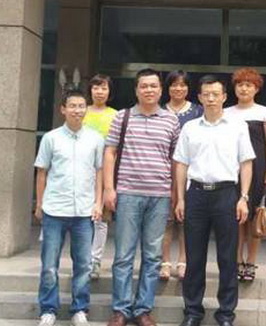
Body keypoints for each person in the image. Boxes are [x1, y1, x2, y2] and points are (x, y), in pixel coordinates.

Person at [174, 75, 255, 326]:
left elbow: (246, 163)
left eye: (215, 94)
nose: (211, 98)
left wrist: (243, 197)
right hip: (196, 194)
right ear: (199, 98)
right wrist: (180, 198)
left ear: (224, 97)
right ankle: (192, 312)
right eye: (206, 94)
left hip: (226, 195)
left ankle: (226, 314)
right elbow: (181, 164)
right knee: (194, 257)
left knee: (227, 258)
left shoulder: (237, 126)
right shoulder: (190, 128)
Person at [103, 68, 180, 326]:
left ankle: (143, 310)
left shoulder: (171, 120)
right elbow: (110, 153)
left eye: (153, 86)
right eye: (144, 86)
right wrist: (109, 189)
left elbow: (176, 160)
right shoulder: (123, 117)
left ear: (161, 90)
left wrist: (175, 194)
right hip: (128, 193)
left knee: (153, 256)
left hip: (160, 196)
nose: (149, 90)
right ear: (136, 90)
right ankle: (121, 310)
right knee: (123, 255)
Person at [34, 90, 105, 326]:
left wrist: (98, 202)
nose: (77, 110)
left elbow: (99, 173)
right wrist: (39, 204)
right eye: (72, 106)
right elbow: (42, 173)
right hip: (54, 210)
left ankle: (80, 309)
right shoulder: (51, 138)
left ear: (86, 109)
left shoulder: (96, 139)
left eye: (81, 106)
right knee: (49, 265)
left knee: (83, 265)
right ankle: (48, 309)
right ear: (63, 109)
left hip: (84, 212)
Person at [225, 68, 266, 283]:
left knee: (255, 218)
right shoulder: (226, 112)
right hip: (231, 167)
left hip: (257, 167)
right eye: (240, 84)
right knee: (235, 217)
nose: (244, 88)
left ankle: (251, 262)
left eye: (249, 85)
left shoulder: (264, 111)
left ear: (256, 89)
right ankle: (237, 261)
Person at [160, 70, 203, 281]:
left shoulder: (198, 111)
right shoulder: (159, 111)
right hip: (162, 171)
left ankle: (183, 261)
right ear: (167, 88)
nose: (178, 88)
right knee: (166, 219)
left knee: (187, 220)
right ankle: (165, 262)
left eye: (183, 85)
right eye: (174, 84)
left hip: (191, 171)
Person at [83, 74, 118, 280]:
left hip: (105, 172)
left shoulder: (116, 115)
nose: (99, 92)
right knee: (81, 217)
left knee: (101, 218)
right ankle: (82, 259)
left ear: (109, 91)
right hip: (82, 171)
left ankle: (95, 260)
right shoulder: (82, 111)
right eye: (96, 88)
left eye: (104, 88)